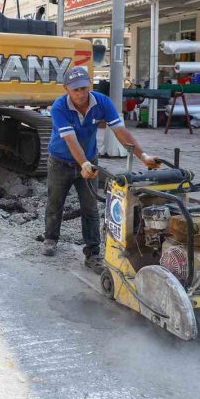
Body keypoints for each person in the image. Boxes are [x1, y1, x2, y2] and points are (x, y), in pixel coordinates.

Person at [42, 66, 160, 268]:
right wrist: (83, 163)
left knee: (90, 207)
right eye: (75, 90)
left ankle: (92, 253)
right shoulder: (59, 107)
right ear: (66, 89)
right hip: (60, 162)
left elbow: (120, 131)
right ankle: (50, 238)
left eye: (83, 88)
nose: (81, 93)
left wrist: (143, 156)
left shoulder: (102, 102)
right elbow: (70, 140)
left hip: (89, 161)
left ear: (90, 85)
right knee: (55, 202)